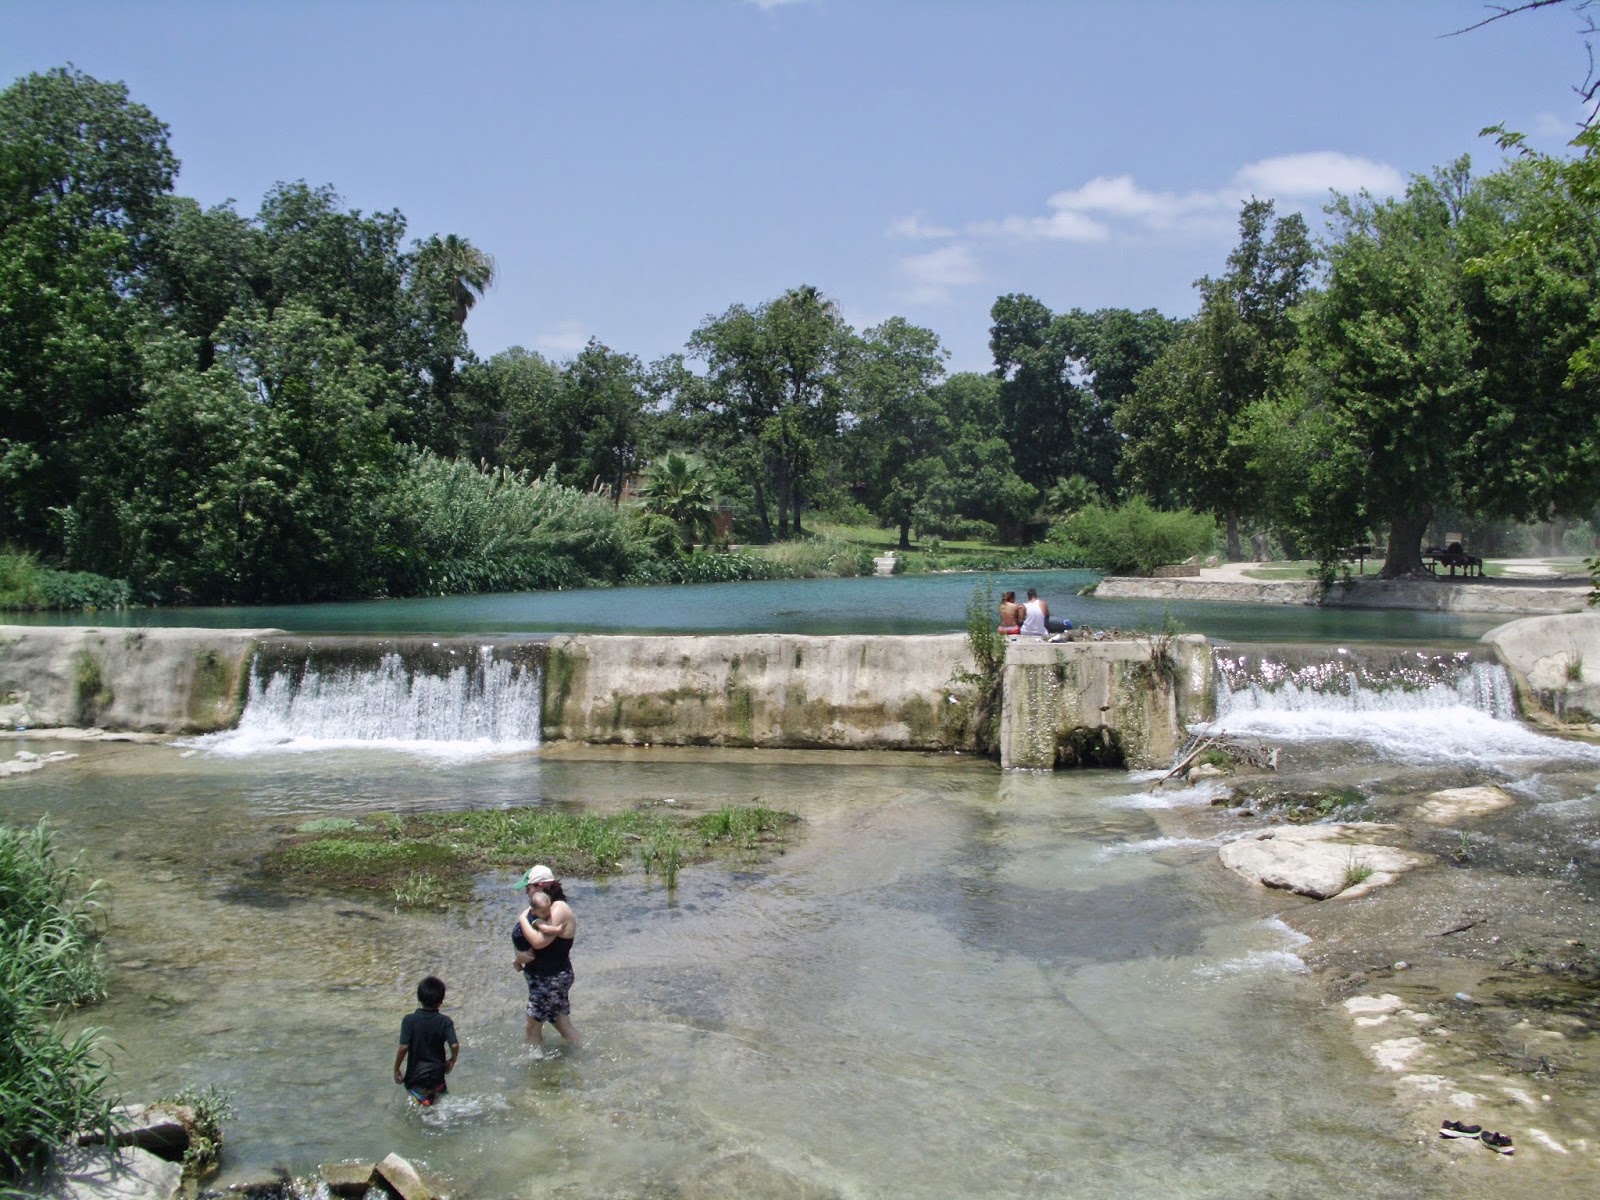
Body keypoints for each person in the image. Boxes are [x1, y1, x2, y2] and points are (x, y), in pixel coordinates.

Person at [514, 864, 581, 1046]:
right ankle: (579, 1053)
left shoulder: (558, 908)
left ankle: (534, 1060)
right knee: (560, 1022)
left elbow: (538, 942)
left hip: (551, 977)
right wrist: (518, 958)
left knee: (532, 1026)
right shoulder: (544, 909)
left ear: (540, 886)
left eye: (529, 888)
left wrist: (522, 919)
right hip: (546, 976)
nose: (527, 893)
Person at [394, 975, 458, 1106]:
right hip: (438, 1077)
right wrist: (452, 1060)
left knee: (420, 1109)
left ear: (418, 998)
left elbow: (403, 1047)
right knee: (440, 1105)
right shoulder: (445, 1022)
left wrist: (396, 1069)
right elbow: (454, 1045)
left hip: (416, 1079)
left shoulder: (409, 1021)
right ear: (441, 1001)